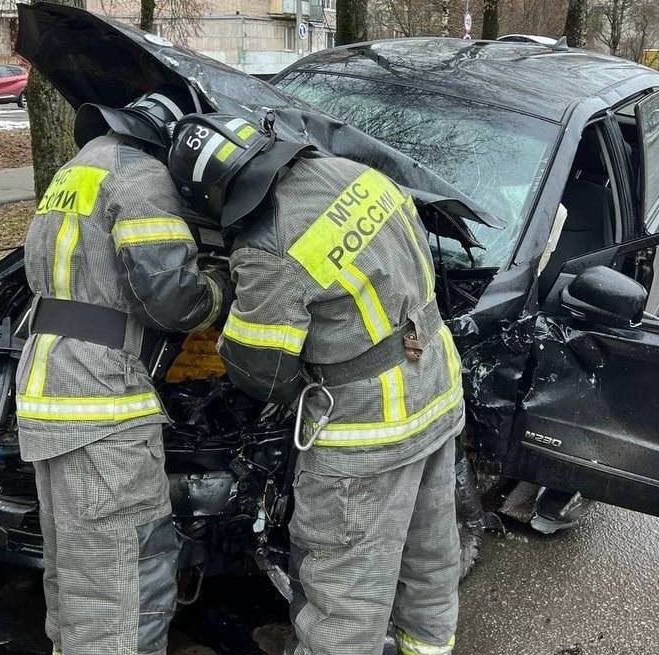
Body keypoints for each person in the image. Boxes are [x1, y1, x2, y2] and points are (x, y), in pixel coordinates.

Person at [168, 114, 465, 655]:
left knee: (341, 589)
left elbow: (264, 371)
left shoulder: (270, 244)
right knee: (428, 552)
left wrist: (232, 304)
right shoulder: (357, 174)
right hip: (436, 390)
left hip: (366, 433)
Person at [15, 88, 229, 655]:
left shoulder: (76, 170)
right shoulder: (142, 178)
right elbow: (171, 299)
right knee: (127, 580)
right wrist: (218, 289)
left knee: (77, 581)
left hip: (49, 391)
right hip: (101, 401)